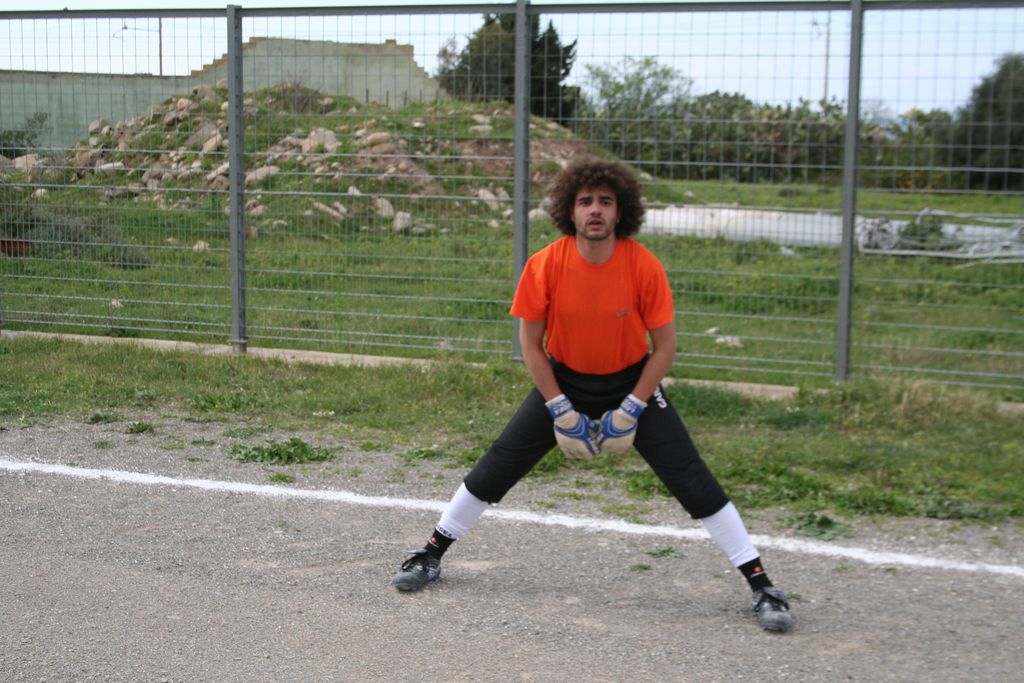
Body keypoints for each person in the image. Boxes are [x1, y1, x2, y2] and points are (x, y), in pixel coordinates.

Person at [391, 156, 793, 633]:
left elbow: (665, 349)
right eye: (585, 201)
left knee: (692, 477)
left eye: (605, 201)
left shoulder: (643, 265)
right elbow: (530, 346)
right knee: (497, 465)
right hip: (562, 383)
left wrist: (633, 406)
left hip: (631, 383)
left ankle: (762, 585)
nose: (595, 210)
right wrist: (559, 407)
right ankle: (430, 555)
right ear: (570, 210)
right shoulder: (545, 265)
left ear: (621, 212)